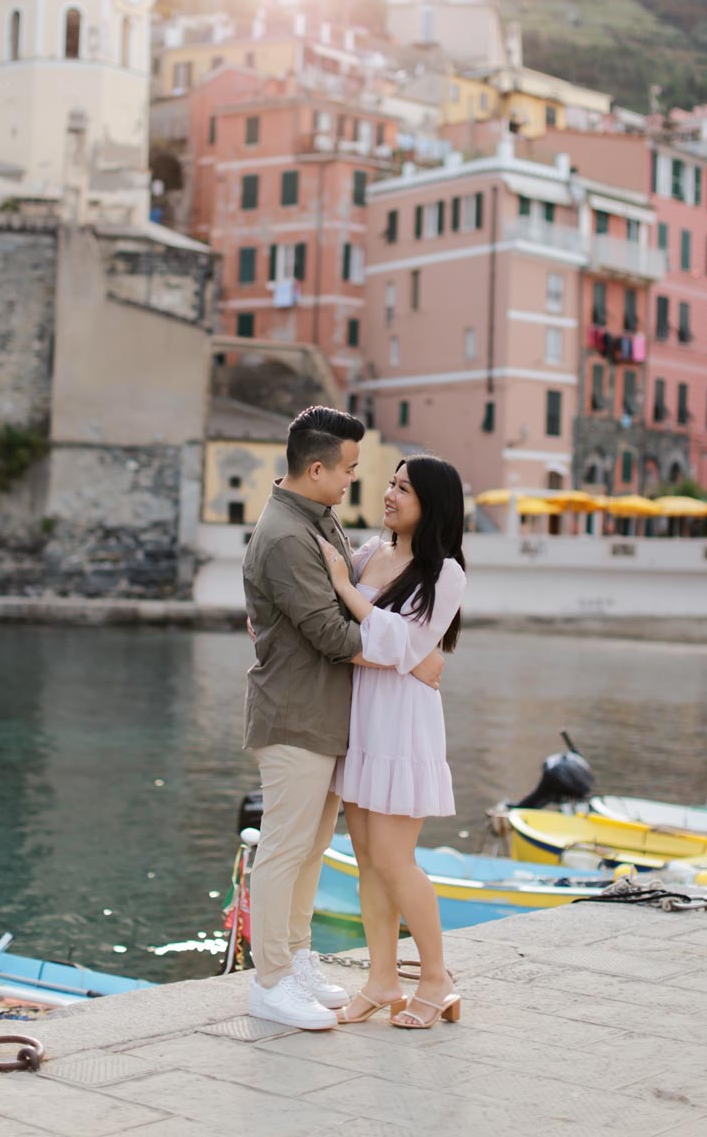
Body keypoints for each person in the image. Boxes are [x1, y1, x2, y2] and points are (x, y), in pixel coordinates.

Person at [243, 408, 445, 1030]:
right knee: (284, 849)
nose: (358, 480)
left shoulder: (319, 517)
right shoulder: (286, 535)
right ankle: (270, 980)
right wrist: (411, 657)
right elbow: (331, 633)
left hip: (331, 716)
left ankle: (296, 960)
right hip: (295, 714)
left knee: (309, 849)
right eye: (350, 469)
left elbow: (342, 598)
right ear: (316, 469)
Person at [316, 454, 466, 1029]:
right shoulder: (368, 555)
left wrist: (344, 589)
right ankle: (382, 980)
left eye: (405, 488)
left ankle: (436, 978)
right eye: (392, 483)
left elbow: (394, 644)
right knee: (368, 863)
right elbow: (346, 630)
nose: (390, 494)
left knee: (394, 860)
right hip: (362, 720)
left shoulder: (444, 573)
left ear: (433, 504)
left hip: (403, 726)